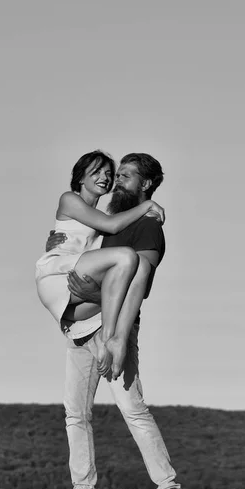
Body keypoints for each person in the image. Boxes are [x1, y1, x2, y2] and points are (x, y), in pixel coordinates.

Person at [45, 152, 193, 489]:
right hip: (82, 328)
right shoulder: (108, 222)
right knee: (75, 413)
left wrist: (119, 339)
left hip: (116, 330)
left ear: (146, 184)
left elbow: (136, 283)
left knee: (133, 408)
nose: (116, 181)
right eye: (116, 174)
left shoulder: (148, 229)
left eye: (126, 176)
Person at [35, 150, 165, 379]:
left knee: (141, 266)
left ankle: (116, 339)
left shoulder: (99, 221)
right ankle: (109, 339)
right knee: (126, 256)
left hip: (78, 296)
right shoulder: (70, 199)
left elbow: (98, 238)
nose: (108, 178)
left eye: (109, 173)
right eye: (96, 172)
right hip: (59, 277)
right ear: (80, 177)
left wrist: (96, 294)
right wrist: (148, 206)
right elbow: (111, 225)